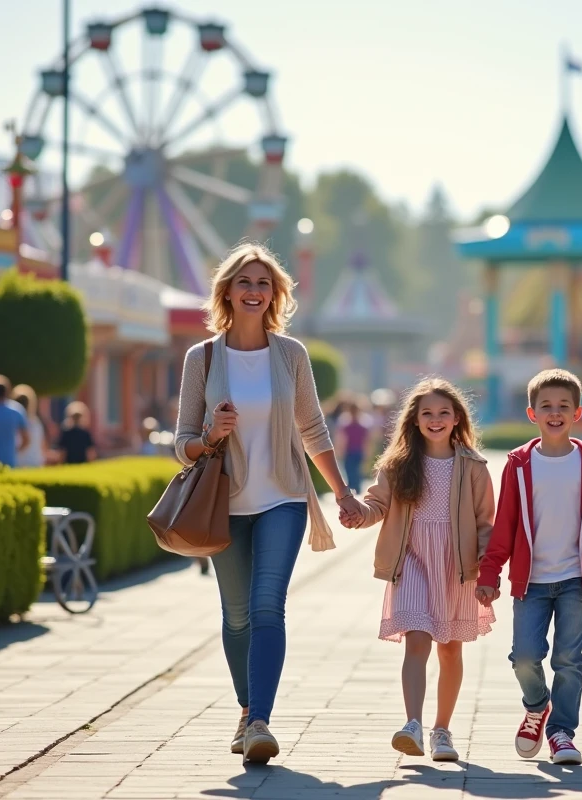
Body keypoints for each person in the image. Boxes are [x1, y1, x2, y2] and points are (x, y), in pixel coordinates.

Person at [173, 242, 367, 766]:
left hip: (283, 496)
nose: (254, 292)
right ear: (227, 292)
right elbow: (182, 441)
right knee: (236, 616)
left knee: (266, 607)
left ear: (275, 293)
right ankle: (245, 708)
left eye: (263, 283)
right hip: (223, 502)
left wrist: (343, 492)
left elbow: (312, 428)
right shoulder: (203, 357)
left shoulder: (291, 355)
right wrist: (211, 434)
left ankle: (260, 720)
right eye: (245, 283)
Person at [478, 369, 582, 766]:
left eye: (563, 406)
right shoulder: (518, 463)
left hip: (575, 581)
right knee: (523, 657)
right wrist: (489, 574)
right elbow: (505, 525)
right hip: (530, 583)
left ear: (577, 412)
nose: (555, 413)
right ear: (532, 413)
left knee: (569, 661)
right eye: (546, 406)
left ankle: (561, 733)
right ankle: (537, 705)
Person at [342, 378, 495, 762]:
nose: (436, 419)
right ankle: (413, 724)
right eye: (427, 413)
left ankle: (442, 730)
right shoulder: (397, 465)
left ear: (457, 418)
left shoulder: (474, 466)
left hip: (457, 565)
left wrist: (488, 574)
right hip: (411, 560)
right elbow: (376, 505)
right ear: (414, 420)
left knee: (449, 650)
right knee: (417, 640)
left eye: (444, 412)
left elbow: (485, 523)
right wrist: (358, 515)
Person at [336, 400, 374, 494]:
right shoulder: (363, 426)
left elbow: (342, 440)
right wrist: (368, 455)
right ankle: (357, 491)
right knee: (357, 473)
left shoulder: (345, 425)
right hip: (358, 452)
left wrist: (339, 451)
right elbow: (367, 442)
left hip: (349, 452)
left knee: (350, 473)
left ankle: (352, 491)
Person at [12, 385, 48, 468]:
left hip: (19, 463)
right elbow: (43, 444)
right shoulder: (36, 422)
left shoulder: (14, 421)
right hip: (35, 462)